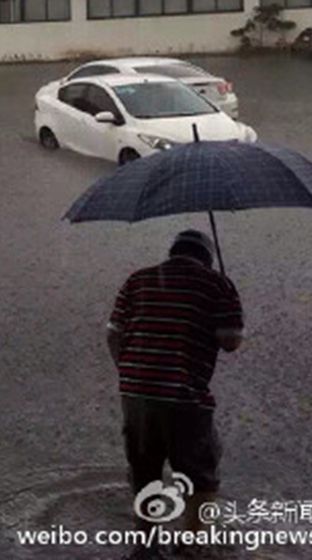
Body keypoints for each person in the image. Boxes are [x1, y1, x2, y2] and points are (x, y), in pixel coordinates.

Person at [106, 229, 244, 558]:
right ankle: (191, 546)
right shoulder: (217, 284)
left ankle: (147, 545)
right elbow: (230, 341)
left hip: (135, 393)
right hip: (183, 395)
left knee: (144, 466)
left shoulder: (137, 279)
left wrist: (127, 372)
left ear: (171, 253)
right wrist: (227, 299)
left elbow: (113, 333)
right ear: (207, 259)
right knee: (201, 471)